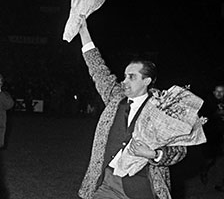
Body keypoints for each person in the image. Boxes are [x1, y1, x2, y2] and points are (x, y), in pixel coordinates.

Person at [76, 19, 187, 199]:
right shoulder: (116, 97)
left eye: (131, 77)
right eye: (124, 76)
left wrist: (154, 154)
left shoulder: (164, 109)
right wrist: (83, 33)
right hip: (107, 183)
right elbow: (98, 69)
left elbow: (179, 150)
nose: (124, 81)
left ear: (147, 81)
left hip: (143, 188)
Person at [199, 84, 224, 191]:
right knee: (210, 159)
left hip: (222, 136)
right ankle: (204, 171)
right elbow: (204, 119)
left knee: (221, 160)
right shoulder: (208, 103)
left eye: (222, 91)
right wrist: (216, 114)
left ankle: (220, 184)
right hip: (212, 135)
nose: (219, 94)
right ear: (213, 92)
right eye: (217, 91)